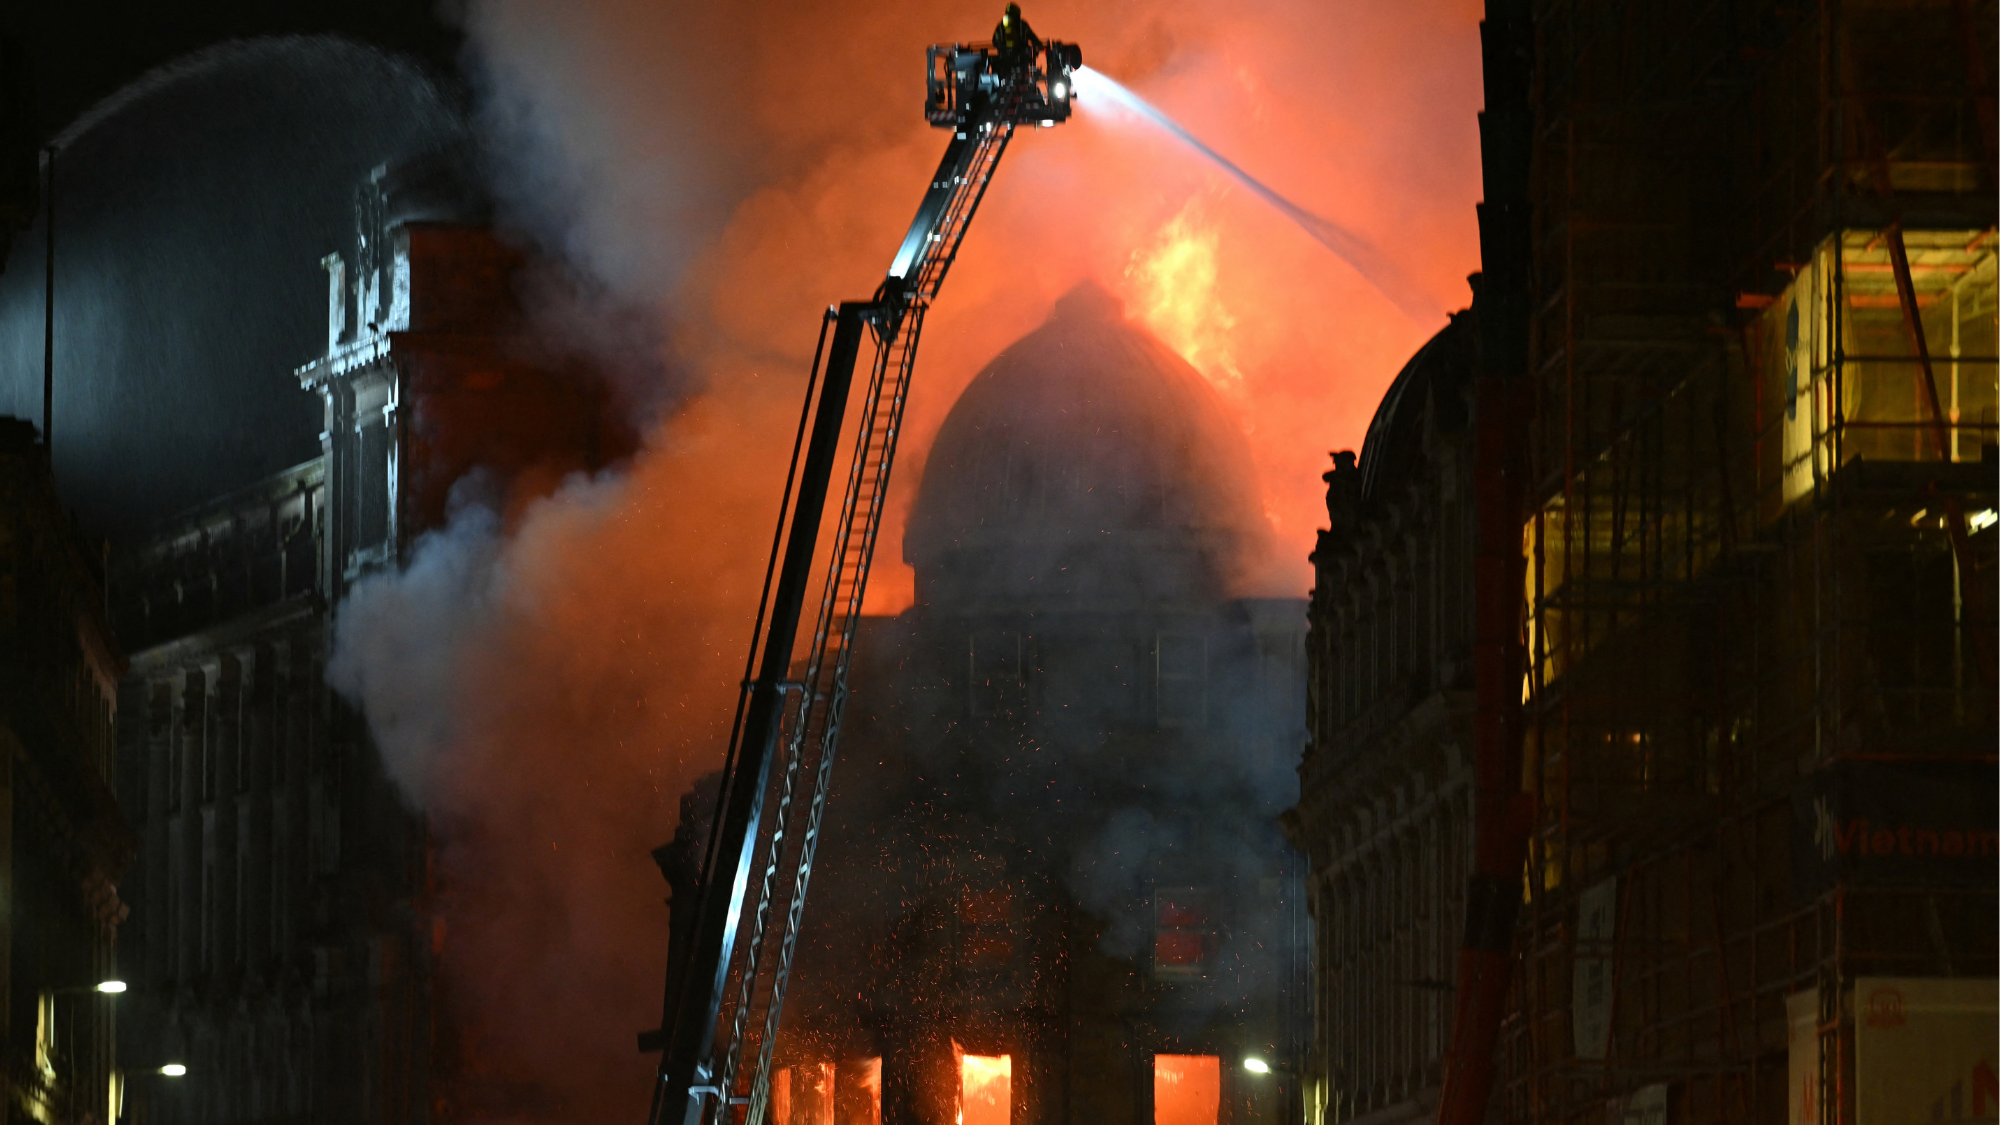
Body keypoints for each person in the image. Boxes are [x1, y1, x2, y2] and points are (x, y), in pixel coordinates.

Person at [993, 3, 1041, 75]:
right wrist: (1039, 45)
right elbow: (1032, 37)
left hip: (1008, 59)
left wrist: (1002, 48)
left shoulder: (1001, 26)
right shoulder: (1022, 25)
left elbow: (995, 41)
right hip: (1019, 59)